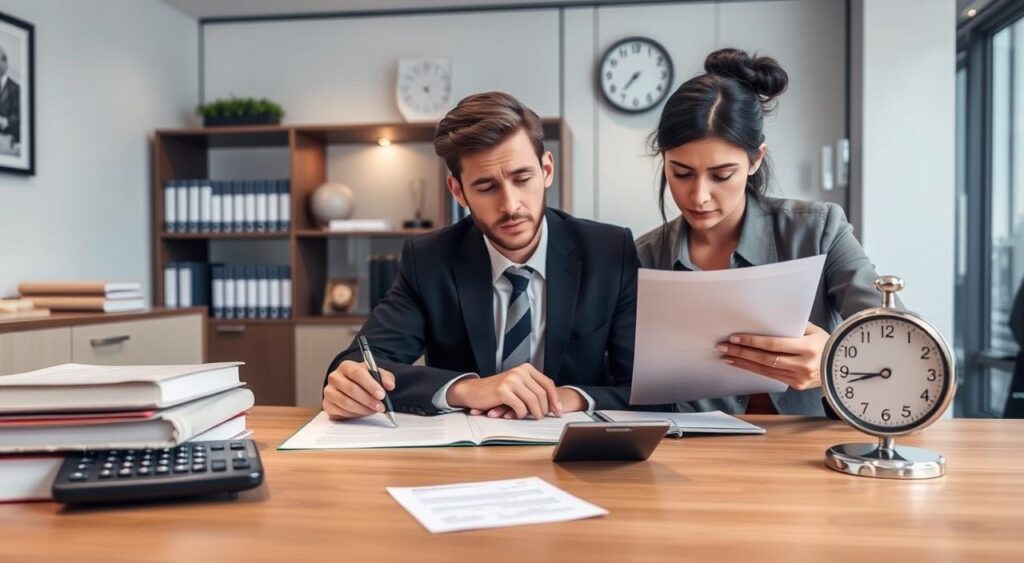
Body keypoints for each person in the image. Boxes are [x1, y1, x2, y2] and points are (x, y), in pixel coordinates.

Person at [322, 91, 640, 421]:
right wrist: (469, 389)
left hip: (580, 454)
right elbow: (355, 366)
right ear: (458, 191)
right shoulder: (429, 260)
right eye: (487, 187)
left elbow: (641, 386)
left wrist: (568, 397)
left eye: (523, 178)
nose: (511, 205)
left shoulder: (609, 251)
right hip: (469, 454)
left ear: (546, 170)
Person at [635, 48, 886, 415]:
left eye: (722, 175)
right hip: (692, 458)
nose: (698, 196)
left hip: (811, 456)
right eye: (681, 173)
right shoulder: (643, 257)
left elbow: (898, 342)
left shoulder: (820, 230)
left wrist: (837, 359)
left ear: (756, 159)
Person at [0, 46, 20, 148]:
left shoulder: (16, 89)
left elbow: (21, 119)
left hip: (7, 141)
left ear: (4, 63)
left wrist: (6, 121)